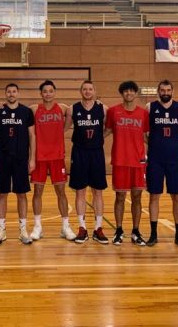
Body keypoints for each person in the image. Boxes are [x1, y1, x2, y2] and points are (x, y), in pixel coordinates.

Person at [0, 83, 36, 245]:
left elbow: (32, 136)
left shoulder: (26, 112)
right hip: (2, 158)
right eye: (8, 91)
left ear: (18, 93)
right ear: (5, 94)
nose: (11, 94)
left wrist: (32, 159)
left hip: (21, 158)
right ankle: (1, 229)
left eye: (14, 91)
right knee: (2, 193)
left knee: (21, 194)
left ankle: (23, 230)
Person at [105, 81, 150, 246]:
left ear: (136, 93)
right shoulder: (113, 111)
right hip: (120, 160)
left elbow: (146, 136)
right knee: (120, 197)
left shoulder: (143, 113)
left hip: (138, 161)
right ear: (121, 93)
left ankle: (136, 231)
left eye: (131, 91)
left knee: (137, 197)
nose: (129, 93)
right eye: (125, 91)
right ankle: (118, 230)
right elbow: (107, 131)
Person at [30, 80, 75, 241]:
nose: (48, 94)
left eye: (51, 91)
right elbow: (17, 110)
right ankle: (37, 227)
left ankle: (65, 227)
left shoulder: (62, 108)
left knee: (61, 191)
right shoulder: (34, 109)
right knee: (38, 192)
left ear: (55, 92)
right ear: (41, 94)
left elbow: (75, 112)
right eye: (45, 91)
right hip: (39, 156)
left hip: (57, 156)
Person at [145, 80, 178, 248]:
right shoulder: (150, 107)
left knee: (177, 197)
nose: (165, 93)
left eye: (168, 90)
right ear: (158, 91)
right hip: (155, 159)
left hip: (175, 159)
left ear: (172, 91)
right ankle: (153, 234)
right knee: (154, 196)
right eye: (162, 90)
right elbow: (144, 133)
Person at [65, 80, 109, 244]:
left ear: (94, 91)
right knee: (80, 191)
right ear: (81, 91)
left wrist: (99, 137)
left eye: (90, 89)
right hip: (79, 153)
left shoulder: (103, 109)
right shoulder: (73, 109)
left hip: (96, 152)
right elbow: (64, 128)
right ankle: (82, 228)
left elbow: (109, 128)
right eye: (85, 89)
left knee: (98, 191)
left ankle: (98, 228)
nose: (88, 91)